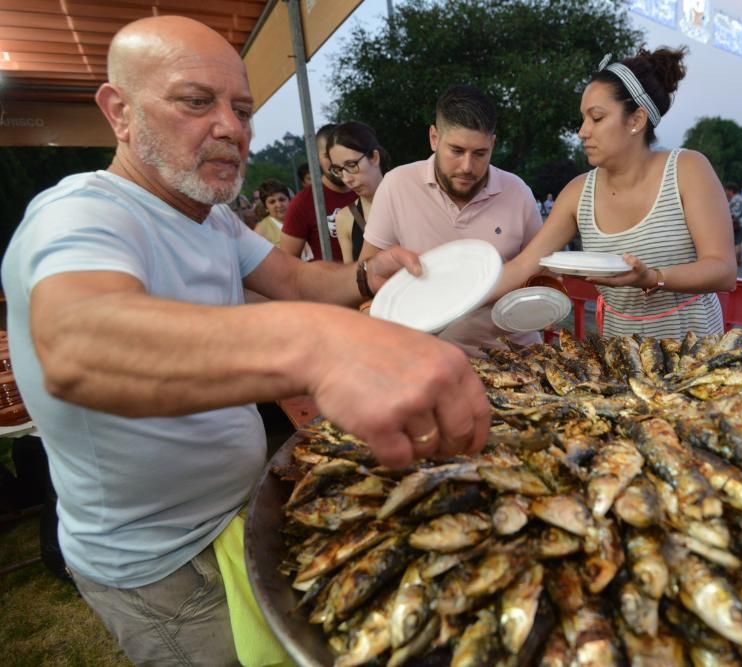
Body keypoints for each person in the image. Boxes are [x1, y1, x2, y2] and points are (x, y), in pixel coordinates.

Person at [0, 16, 490, 665]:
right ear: (119, 112)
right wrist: (320, 347)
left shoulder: (210, 220)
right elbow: (75, 341)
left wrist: (371, 272)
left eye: (241, 108)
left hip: (240, 514)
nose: (231, 127)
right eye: (195, 101)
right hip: (166, 565)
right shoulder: (82, 213)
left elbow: (298, 281)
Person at [493, 47, 735, 338]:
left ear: (636, 120)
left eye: (596, 118)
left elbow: (723, 270)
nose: (582, 131)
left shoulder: (687, 170)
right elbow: (522, 265)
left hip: (694, 354)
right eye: (583, 119)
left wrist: (652, 277)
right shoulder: (578, 193)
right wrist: (446, 300)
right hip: (621, 353)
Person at [360, 84, 544, 355]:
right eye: (456, 151)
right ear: (434, 138)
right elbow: (367, 272)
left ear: (493, 144)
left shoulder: (517, 191)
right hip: (428, 356)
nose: (467, 167)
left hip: (515, 355)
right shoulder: (397, 184)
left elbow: (543, 274)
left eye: (480, 154)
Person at [280, 123, 358, 261]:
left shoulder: (367, 189)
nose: (337, 161)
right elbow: (287, 263)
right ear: (316, 158)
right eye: (328, 155)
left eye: (342, 152)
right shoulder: (303, 203)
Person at [327, 122, 391, 263]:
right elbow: (351, 279)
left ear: (374, 157)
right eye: (338, 170)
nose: (346, 179)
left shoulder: (409, 196)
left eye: (351, 165)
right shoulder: (344, 218)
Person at [253, 178, 291, 247]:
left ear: (289, 200)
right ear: (266, 207)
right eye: (272, 202)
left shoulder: (301, 220)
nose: (279, 205)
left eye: (282, 199)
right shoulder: (261, 231)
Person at [725, 182, 742, 265]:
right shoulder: (739, 198)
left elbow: (735, 214)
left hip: (738, 224)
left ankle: (732, 262)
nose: (725, 192)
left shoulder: (736, 199)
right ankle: (740, 260)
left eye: (726, 190)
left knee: (736, 243)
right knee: (739, 242)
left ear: (731, 190)